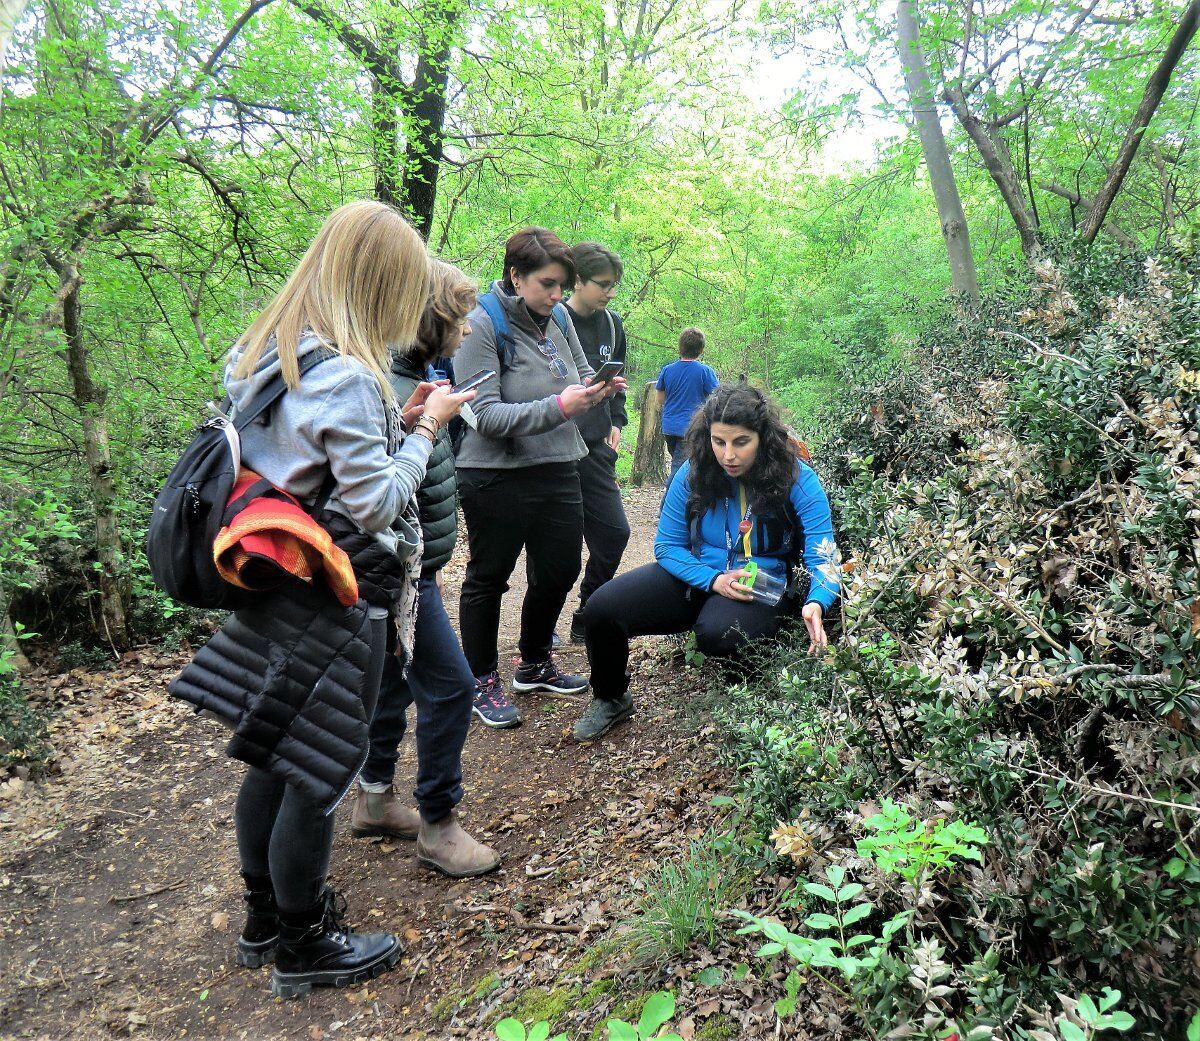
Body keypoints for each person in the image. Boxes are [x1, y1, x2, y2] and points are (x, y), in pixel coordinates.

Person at [171, 201, 472, 997]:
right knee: (318, 771)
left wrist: (390, 426)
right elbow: (375, 507)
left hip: (272, 584)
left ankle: (264, 918)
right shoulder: (343, 373)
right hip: (335, 596)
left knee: (270, 753)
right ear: (379, 285)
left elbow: (307, 458)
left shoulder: (268, 356)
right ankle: (306, 943)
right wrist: (425, 430)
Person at [572, 382, 840, 742]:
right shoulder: (694, 472)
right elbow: (667, 547)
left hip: (760, 584)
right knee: (601, 609)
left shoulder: (796, 478)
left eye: (740, 442)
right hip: (698, 574)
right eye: (719, 442)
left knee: (717, 634)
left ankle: (745, 700)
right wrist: (714, 580)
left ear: (762, 437)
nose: (728, 455)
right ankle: (611, 697)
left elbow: (824, 553)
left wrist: (817, 602)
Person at [351, 260, 501, 878]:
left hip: (407, 569)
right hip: (396, 572)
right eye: (460, 317)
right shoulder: (384, 378)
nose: (468, 330)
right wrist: (428, 422)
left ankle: (375, 798)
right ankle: (438, 823)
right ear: (433, 319)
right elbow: (374, 489)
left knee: (390, 685)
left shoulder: (414, 375)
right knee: (450, 685)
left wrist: (419, 418)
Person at [453, 226, 625, 727]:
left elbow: (572, 378)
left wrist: (593, 392)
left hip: (559, 466)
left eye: (562, 285)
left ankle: (534, 662)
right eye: (548, 284)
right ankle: (481, 680)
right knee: (489, 578)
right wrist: (557, 406)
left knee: (560, 569)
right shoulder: (480, 324)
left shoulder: (556, 320)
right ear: (516, 275)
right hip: (495, 474)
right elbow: (482, 415)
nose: (557, 295)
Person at [558, 241, 631, 644]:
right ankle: (542, 626)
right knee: (557, 548)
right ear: (578, 281)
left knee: (615, 534)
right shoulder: (552, 321)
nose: (610, 292)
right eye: (603, 284)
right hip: (555, 451)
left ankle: (587, 610)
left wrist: (617, 419)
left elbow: (618, 378)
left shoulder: (613, 324)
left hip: (597, 450)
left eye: (613, 285)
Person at [657, 327, 718, 479]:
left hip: (669, 427)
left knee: (684, 465)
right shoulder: (705, 371)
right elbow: (717, 398)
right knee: (679, 472)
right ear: (701, 349)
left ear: (680, 347)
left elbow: (660, 399)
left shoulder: (667, 370)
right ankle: (668, 502)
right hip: (691, 429)